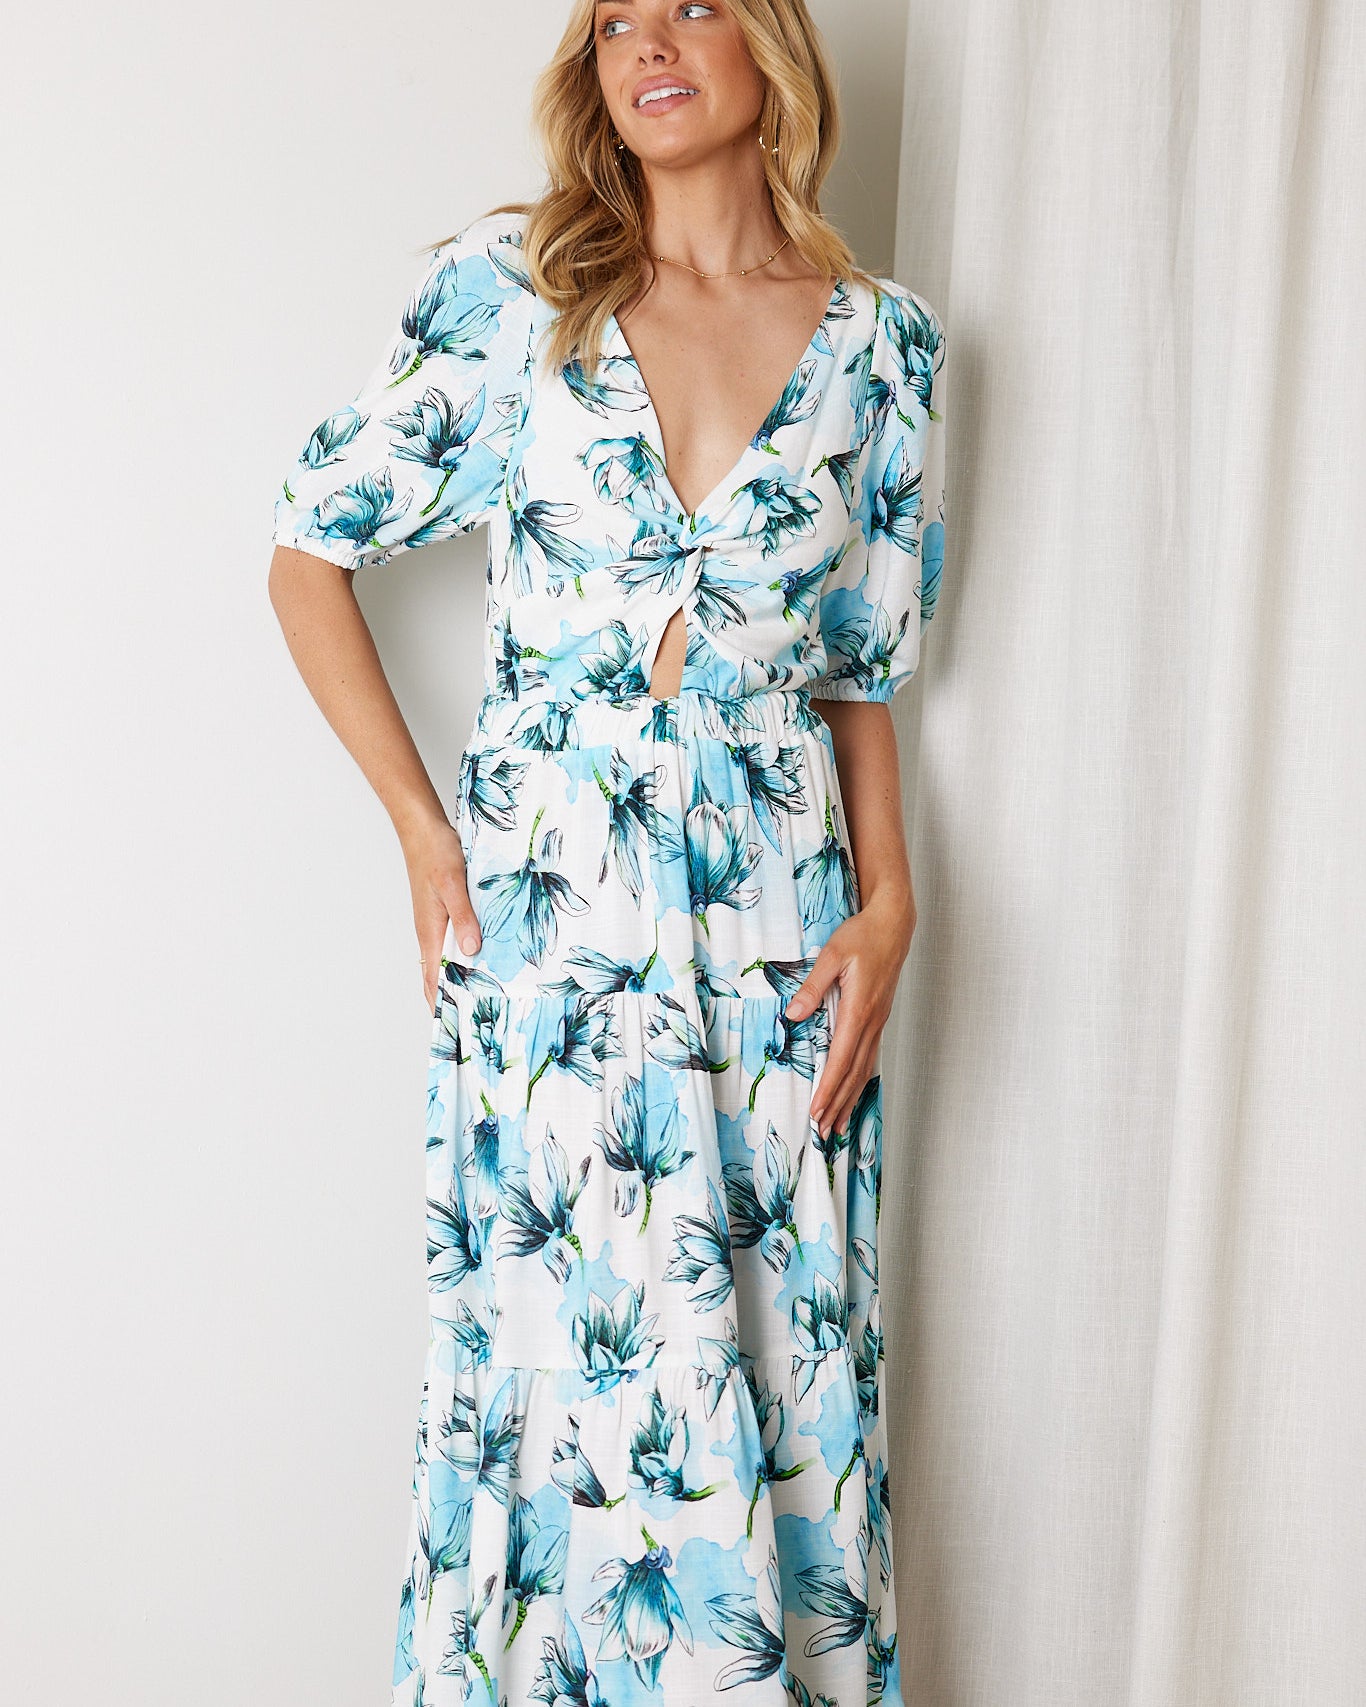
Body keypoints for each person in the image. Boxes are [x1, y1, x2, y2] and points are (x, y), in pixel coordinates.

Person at [267, 1, 946, 1701]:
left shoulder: (888, 349)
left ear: (770, 42)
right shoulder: (518, 297)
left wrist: (893, 898)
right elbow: (306, 552)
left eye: (692, 3)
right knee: (573, 1373)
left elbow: (859, 670)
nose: (652, 40)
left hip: (786, 932)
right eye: (616, 18)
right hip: (557, 921)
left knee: (785, 1367)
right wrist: (423, 831)